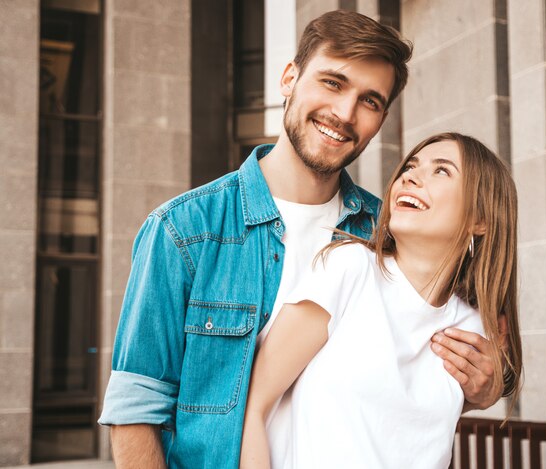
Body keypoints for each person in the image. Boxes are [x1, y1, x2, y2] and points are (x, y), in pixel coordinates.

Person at [99, 10, 504, 469]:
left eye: (369, 101)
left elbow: (417, 375)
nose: (345, 113)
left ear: (382, 118)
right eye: (332, 82)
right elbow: (136, 408)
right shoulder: (184, 229)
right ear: (289, 78)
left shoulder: (390, 233)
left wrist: (490, 388)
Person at [240, 132, 522, 468]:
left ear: (481, 220)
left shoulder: (471, 328)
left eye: (441, 170)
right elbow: (254, 405)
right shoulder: (349, 269)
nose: (409, 176)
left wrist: (489, 392)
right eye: (411, 166)